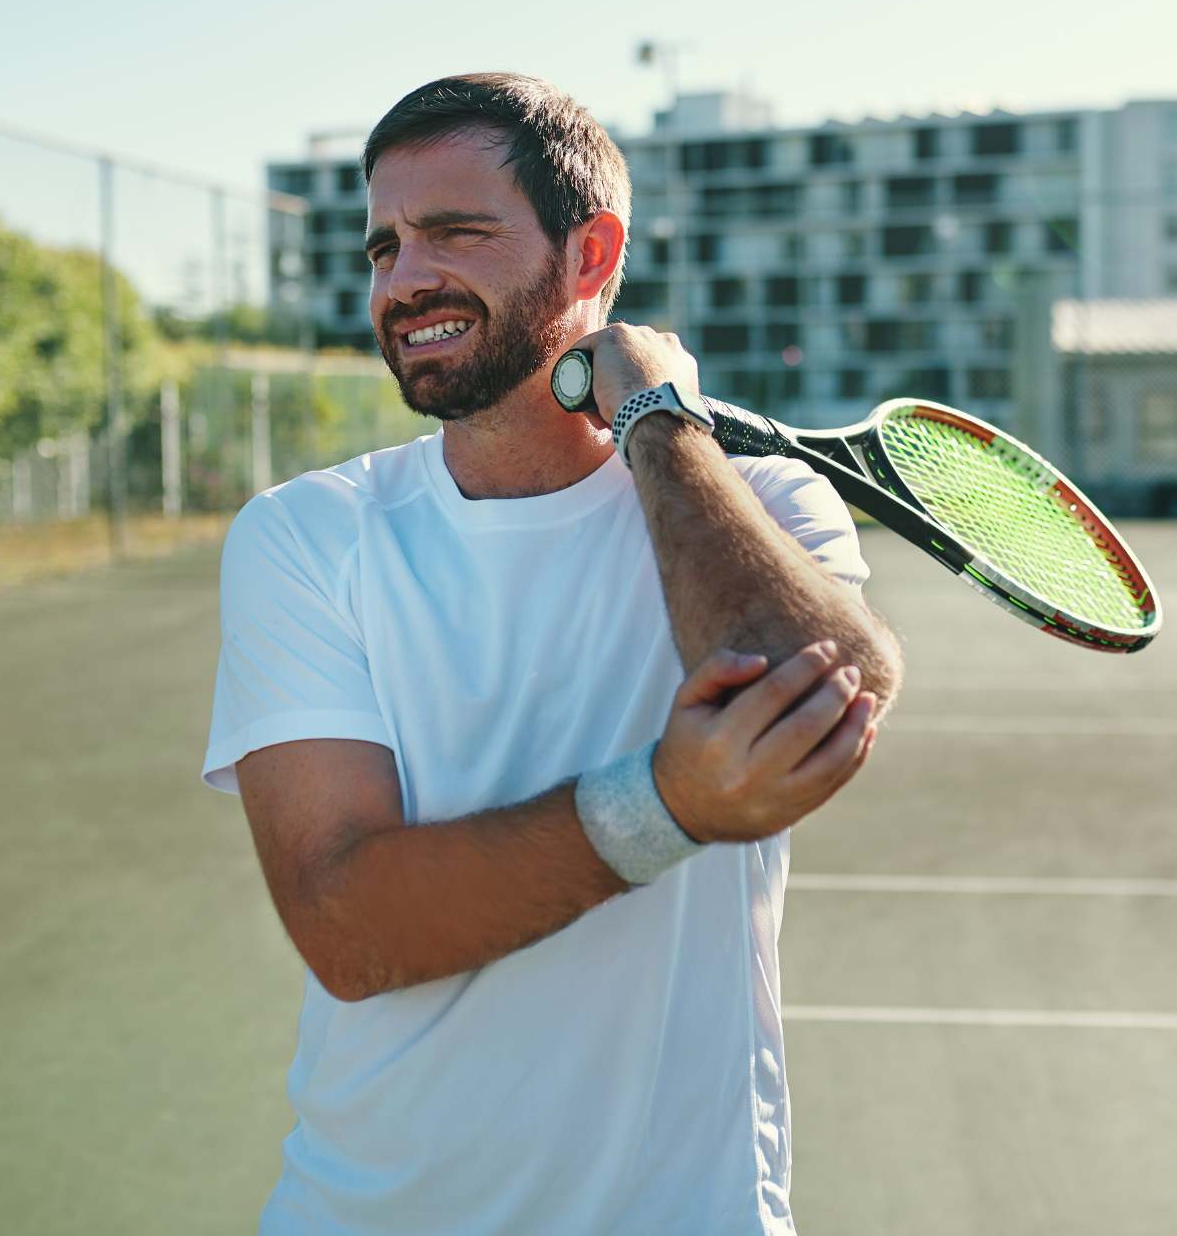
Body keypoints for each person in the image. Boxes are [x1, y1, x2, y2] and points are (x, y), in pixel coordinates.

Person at [200, 72, 903, 1234]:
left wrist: (659, 425)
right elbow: (348, 923)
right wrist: (669, 801)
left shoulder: (767, 498)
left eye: (454, 232)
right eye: (382, 246)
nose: (404, 277)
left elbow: (823, 703)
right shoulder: (305, 534)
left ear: (592, 254)